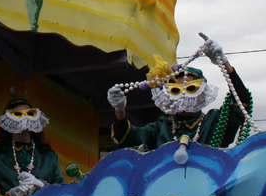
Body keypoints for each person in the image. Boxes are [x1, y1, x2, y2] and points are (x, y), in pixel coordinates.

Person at [107, 37, 251, 149]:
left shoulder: (215, 122)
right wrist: (119, 110)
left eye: (191, 89)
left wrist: (224, 63)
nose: (184, 96)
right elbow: (126, 138)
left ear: (202, 92)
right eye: (177, 90)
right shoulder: (161, 127)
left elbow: (241, 103)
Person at [0, 98, 65, 196]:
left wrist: (42, 186)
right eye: (18, 114)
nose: (25, 119)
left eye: (29, 114)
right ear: (8, 120)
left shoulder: (48, 156)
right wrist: (8, 194)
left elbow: (62, 193)